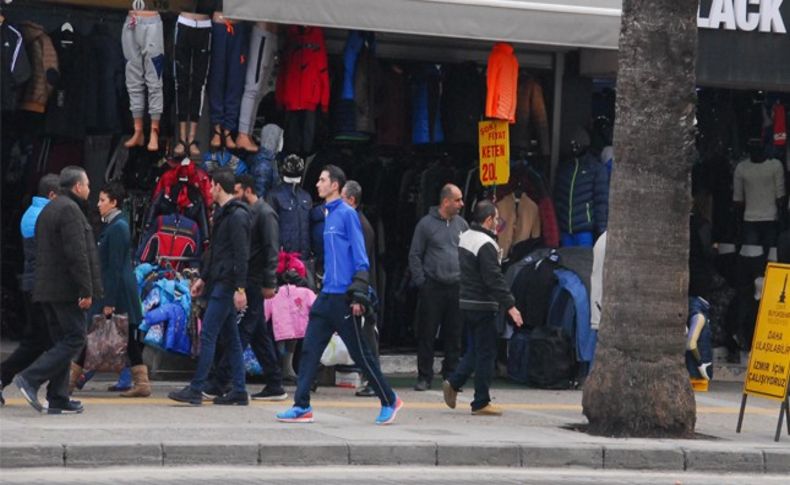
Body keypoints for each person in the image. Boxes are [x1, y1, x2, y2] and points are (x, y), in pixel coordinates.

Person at [276, 165, 403, 425]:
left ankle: (389, 399)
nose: (317, 184)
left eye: (322, 180)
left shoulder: (347, 214)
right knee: (310, 350)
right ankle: (301, 406)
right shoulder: (327, 215)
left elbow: (360, 256)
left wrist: (358, 294)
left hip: (344, 297)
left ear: (335, 185)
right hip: (326, 296)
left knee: (360, 354)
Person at [14, 166, 102, 415]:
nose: (89, 189)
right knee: (75, 337)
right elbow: (77, 255)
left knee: (61, 340)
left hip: (47, 288)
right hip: (65, 289)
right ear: (77, 187)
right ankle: (31, 378)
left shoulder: (49, 210)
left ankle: (58, 396)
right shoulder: (70, 211)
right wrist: (86, 290)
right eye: (87, 184)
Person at [168, 168, 252, 406]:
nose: (207, 189)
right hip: (219, 281)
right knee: (231, 338)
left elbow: (240, 254)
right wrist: (203, 278)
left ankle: (196, 388)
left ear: (217, 186)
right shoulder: (224, 213)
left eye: (210, 185)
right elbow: (216, 251)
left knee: (208, 335)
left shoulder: (237, 216)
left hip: (227, 285)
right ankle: (239, 389)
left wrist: (240, 289)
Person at [204, 174, 287, 401]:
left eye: (238, 190)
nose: (234, 194)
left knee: (242, 333)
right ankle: (275, 382)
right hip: (246, 280)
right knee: (257, 333)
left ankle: (221, 381)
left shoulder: (265, 214)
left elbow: (272, 251)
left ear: (248, 190)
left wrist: (269, 282)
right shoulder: (246, 213)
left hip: (255, 282)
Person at [443, 201, 523, 416]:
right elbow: (493, 279)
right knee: (486, 353)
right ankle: (480, 401)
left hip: (466, 301)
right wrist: (511, 306)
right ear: (488, 220)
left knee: (476, 349)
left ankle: (454, 381)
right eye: (496, 219)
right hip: (483, 304)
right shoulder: (486, 243)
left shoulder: (466, 237)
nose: (497, 223)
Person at [70, 183, 148, 397]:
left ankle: (69, 381)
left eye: (102, 200)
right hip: (116, 291)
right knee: (124, 338)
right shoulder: (113, 225)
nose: (98, 204)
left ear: (114, 202)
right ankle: (142, 383)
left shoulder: (118, 227)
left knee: (96, 334)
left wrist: (109, 302)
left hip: (118, 292)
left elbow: (114, 268)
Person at [0, 174, 59, 407]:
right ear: (52, 195)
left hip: (32, 285)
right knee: (58, 341)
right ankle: (45, 388)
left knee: (37, 341)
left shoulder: (31, 213)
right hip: (42, 287)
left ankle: (7, 377)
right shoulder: (44, 217)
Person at [408, 183, 468, 391]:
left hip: (456, 285)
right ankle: (425, 376)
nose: (461, 204)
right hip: (432, 286)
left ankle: (451, 376)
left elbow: (467, 253)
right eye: (458, 200)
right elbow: (415, 254)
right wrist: (421, 282)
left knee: (454, 333)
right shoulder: (426, 224)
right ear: (446, 201)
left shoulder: (462, 224)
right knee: (427, 333)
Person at [341, 179, 379, 398]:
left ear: (352, 200)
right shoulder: (352, 222)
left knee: (367, 336)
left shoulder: (361, 226)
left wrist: (359, 293)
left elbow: (360, 262)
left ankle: (374, 380)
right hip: (351, 288)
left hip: (360, 289)